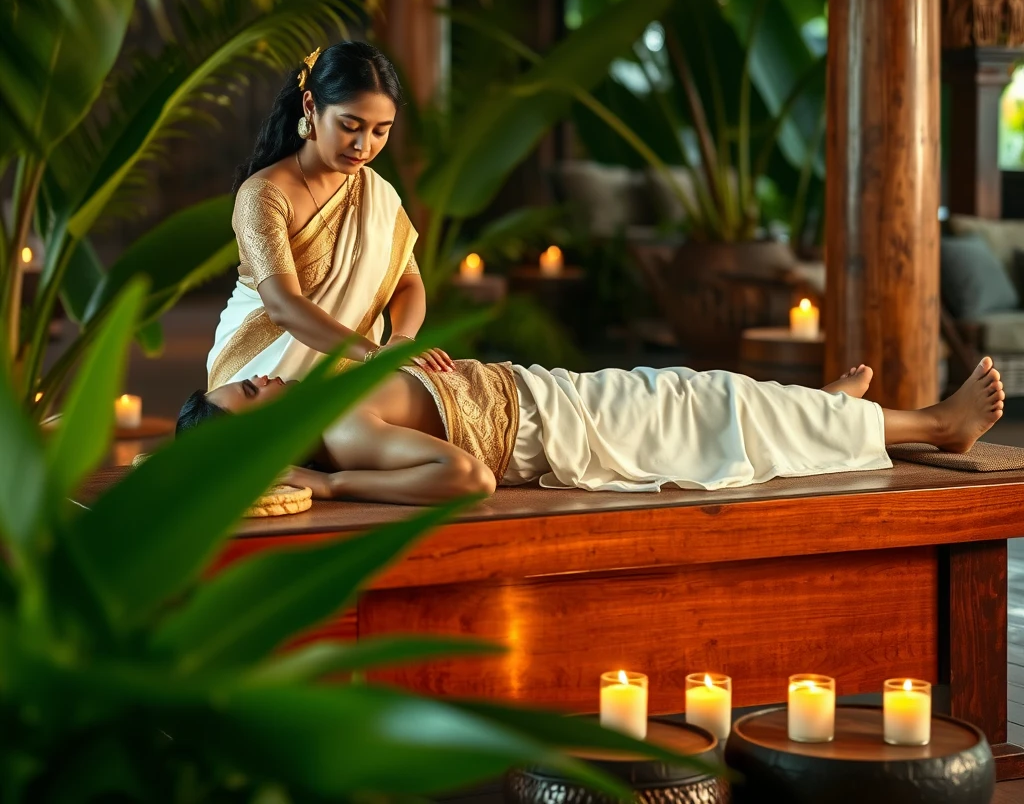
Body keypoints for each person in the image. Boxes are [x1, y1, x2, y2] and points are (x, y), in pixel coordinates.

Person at [177, 356, 1005, 508]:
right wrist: (327, 484)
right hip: (562, 427)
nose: (265, 377)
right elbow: (466, 480)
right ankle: (938, 425)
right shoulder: (343, 437)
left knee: (712, 395)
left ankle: (818, 414)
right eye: (252, 392)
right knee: (711, 400)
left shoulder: (331, 402)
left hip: (543, 394)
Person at [206, 41, 453, 392]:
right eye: (350, 125)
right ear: (310, 106)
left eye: (380, 131)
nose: (363, 146)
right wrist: (372, 356)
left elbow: (408, 282)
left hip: (351, 370)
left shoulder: (376, 193)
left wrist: (401, 339)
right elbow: (283, 305)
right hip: (259, 373)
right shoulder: (263, 195)